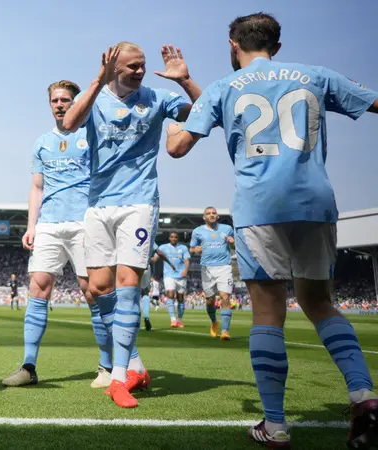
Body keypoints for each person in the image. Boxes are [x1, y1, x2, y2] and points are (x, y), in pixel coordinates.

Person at [165, 12, 378, 448]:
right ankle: (364, 395)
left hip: (260, 205)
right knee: (321, 304)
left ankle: (275, 425)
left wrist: (175, 121)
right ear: (276, 46)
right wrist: (189, 83)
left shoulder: (226, 87)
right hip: (316, 202)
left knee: (268, 314)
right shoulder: (315, 75)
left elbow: (179, 147)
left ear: (232, 43)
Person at [62, 41, 202, 408]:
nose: (139, 71)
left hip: (139, 201)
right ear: (114, 67)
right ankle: (136, 364)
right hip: (98, 203)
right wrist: (97, 80)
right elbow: (68, 123)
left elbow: (204, 112)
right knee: (99, 287)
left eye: (142, 65)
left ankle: (119, 377)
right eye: (132, 66)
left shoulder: (157, 97)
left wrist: (185, 81)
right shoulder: (96, 99)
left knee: (127, 286)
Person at [2, 80, 113, 389]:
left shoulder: (90, 136)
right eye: (55, 100)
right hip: (50, 224)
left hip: (84, 221)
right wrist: (31, 225)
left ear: (76, 102)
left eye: (66, 99)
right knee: (38, 288)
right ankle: (28, 366)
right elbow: (37, 187)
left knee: (91, 290)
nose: (61, 104)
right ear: (49, 104)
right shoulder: (41, 142)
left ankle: (107, 367)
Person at [190, 207, 235, 340]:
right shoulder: (198, 231)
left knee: (225, 297)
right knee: (210, 301)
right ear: (204, 217)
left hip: (224, 267)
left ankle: (225, 331)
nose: (211, 215)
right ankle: (214, 321)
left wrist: (232, 243)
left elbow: (233, 247)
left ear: (218, 216)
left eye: (214, 213)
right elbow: (191, 249)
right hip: (207, 269)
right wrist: (195, 249)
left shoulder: (227, 229)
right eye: (208, 213)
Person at [155, 232, 191, 328]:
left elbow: (187, 260)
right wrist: (151, 260)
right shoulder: (163, 247)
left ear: (177, 238)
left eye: (175, 237)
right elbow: (156, 257)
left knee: (180, 298)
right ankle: (173, 319)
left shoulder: (183, 248)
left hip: (181, 275)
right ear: (169, 238)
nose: (173, 238)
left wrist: (185, 271)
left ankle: (179, 320)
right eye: (172, 237)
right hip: (169, 275)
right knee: (170, 294)